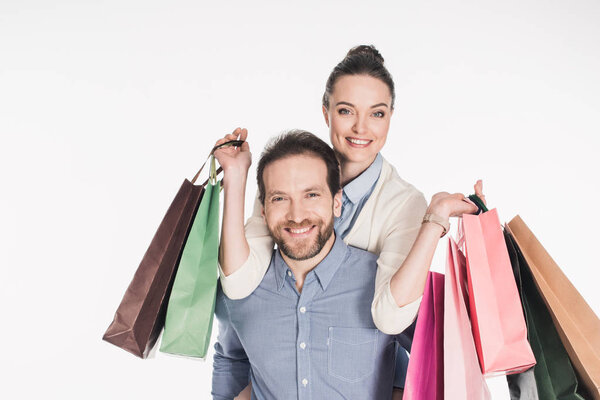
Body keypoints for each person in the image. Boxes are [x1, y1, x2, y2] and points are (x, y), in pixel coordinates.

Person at [214, 45, 483, 398]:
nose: (360, 128)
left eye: (377, 113)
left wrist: (435, 221)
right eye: (346, 110)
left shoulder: (402, 204)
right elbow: (240, 297)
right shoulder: (285, 177)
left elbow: (400, 322)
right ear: (325, 112)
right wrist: (237, 177)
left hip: (376, 374)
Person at [212, 130, 416, 399]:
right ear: (263, 209)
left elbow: (438, 358)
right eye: (280, 198)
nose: (297, 216)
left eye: (311, 195)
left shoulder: (381, 282)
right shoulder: (240, 291)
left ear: (337, 202)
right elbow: (231, 360)